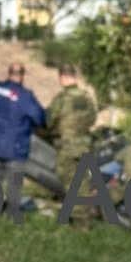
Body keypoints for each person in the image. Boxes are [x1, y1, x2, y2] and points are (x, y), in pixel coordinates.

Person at [0, 63, 46, 215]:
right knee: (14, 184)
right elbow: (39, 118)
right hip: (16, 148)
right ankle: (12, 215)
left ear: (9, 73)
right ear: (22, 75)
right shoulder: (25, 96)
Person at [44, 64, 97, 223]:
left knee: (68, 182)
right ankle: (84, 220)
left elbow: (48, 121)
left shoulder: (61, 99)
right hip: (85, 146)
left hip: (67, 147)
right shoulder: (87, 98)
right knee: (82, 183)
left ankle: (76, 219)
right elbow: (93, 119)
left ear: (62, 77)